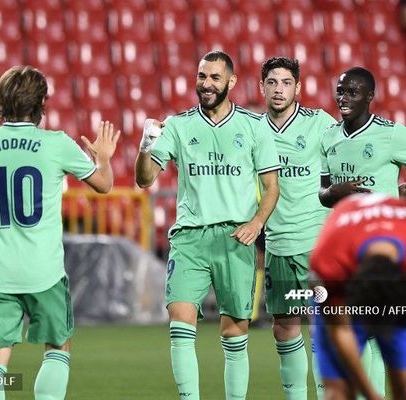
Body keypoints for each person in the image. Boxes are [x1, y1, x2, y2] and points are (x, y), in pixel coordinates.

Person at [0, 65, 120, 400]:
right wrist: (103, 159)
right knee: (58, 347)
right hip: (45, 273)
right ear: (42, 103)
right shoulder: (56, 144)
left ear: (2, 101)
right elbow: (104, 185)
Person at [135, 51, 280, 400]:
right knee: (180, 321)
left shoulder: (254, 125)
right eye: (202, 76)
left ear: (230, 82)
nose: (207, 84)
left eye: (215, 77)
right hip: (190, 237)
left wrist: (257, 222)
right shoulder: (180, 125)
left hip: (235, 237)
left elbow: (272, 188)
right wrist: (146, 145)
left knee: (234, 332)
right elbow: (144, 179)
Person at [318, 66, 406, 397]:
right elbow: (323, 194)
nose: (344, 98)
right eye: (340, 91)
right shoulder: (329, 137)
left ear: (369, 97)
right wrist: (335, 193)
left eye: (352, 92)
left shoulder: (393, 134)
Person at [310, 193, 406, 400]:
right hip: (346, 285)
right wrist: (370, 394)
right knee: (337, 393)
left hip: (400, 289)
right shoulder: (328, 262)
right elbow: (340, 329)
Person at [258, 56, 337, 400]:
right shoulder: (253, 129)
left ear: (298, 88)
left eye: (286, 82)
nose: (279, 89)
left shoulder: (319, 123)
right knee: (284, 328)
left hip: (316, 244)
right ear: (262, 87)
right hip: (277, 245)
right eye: (272, 82)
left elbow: (347, 159)